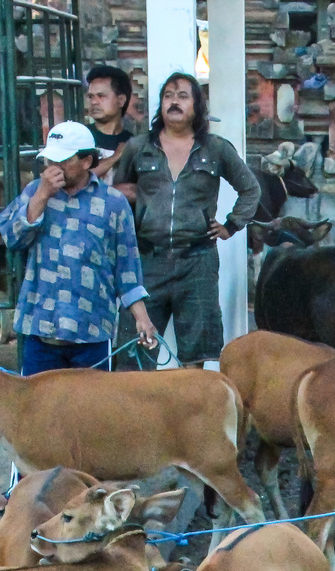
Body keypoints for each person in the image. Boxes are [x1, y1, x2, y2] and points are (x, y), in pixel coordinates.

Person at [111, 72, 260, 368]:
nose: (174, 102)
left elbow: (250, 188)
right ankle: (138, 413)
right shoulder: (139, 147)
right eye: (168, 96)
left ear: (197, 106)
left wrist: (231, 225)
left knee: (197, 353)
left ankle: (192, 412)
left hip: (198, 262)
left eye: (182, 96)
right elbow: (118, 193)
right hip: (147, 260)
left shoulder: (215, 148)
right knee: (134, 353)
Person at [0, 121, 157, 374]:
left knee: (89, 412)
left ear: (86, 161)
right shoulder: (34, 192)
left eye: (63, 161)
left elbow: (127, 267)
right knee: (38, 410)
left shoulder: (113, 204)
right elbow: (12, 237)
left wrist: (142, 318)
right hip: (40, 330)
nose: (53, 168)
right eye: (49, 161)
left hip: (91, 332)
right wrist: (42, 195)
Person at [84, 64, 133, 181]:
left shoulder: (134, 143)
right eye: (91, 96)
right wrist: (115, 157)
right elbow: (78, 181)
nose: (94, 102)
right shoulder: (80, 136)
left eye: (101, 96)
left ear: (121, 100)